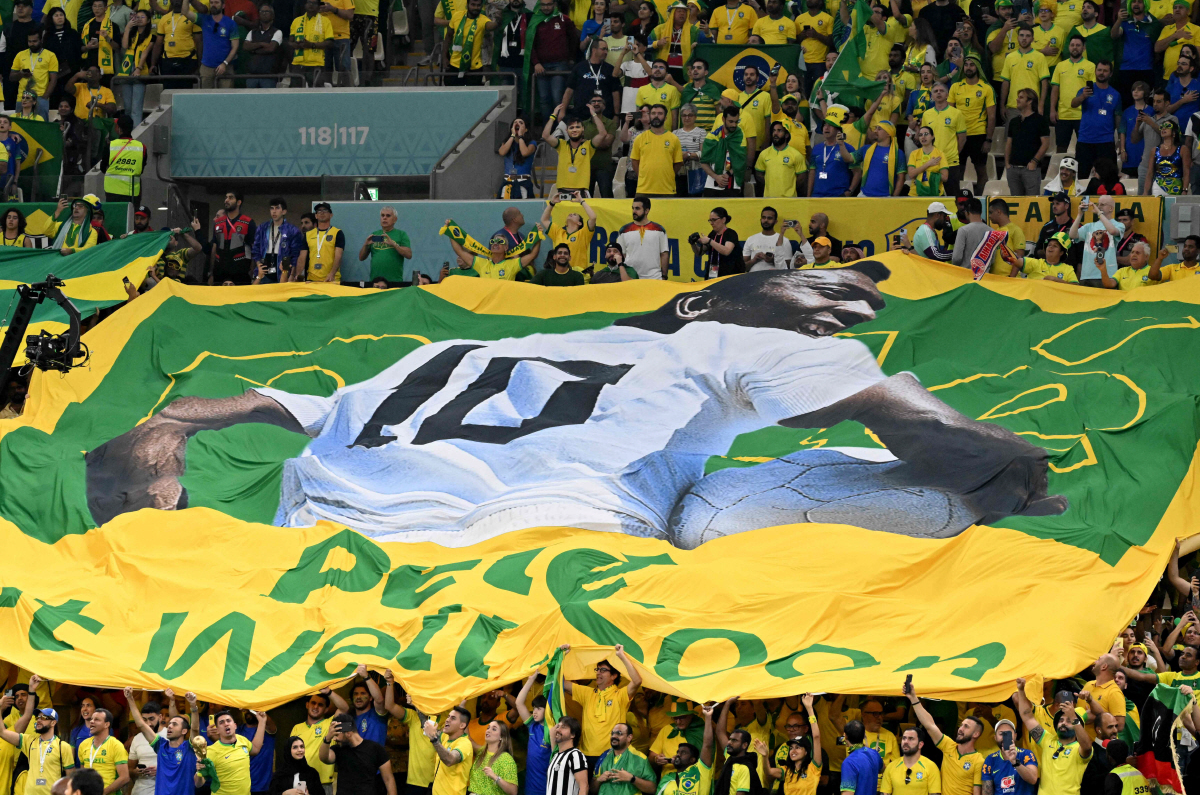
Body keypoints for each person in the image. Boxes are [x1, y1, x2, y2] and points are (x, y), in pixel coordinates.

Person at [88, 262, 1071, 546]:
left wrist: (169, 424)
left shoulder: (459, 346)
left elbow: (269, 406)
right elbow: (906, 421)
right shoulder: (726, 342)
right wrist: (986, 461)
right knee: (716, 505)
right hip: (548, 532)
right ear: (705, 302)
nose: (828, 312)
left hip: (345, 536)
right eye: (810, 295)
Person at [558, 644, 642, 767]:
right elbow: (561, 683)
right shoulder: (587, 693)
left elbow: (637, 681)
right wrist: (562, 657)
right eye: (597, 670)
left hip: (611, 754)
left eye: (603, 670)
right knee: (585, 786)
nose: (598, 673)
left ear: (614, 676)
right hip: (585, 754)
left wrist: (621, 656)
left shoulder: (620, 695)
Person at [1013, 678, 1092, 795]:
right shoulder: (1047, 740)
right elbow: (1027, 716)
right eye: (1061, 720)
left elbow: (1087, 746)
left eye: (1068, 720)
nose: (1063, 723)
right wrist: (1021, 690)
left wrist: (1074, 717)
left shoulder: (1079, 749)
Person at [906, 683, 984, 795]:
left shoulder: (978, 760)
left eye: (966, 726)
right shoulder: (949, 746)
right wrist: (913, 698)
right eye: (961, 725)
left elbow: (977, 793)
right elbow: (930, 725)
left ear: (976, 734)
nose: (961, 729)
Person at [124, 687, 196, 795]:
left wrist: (193, 706)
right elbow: (140, 724)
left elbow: (195, 729)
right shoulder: (161, 745)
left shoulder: (189, 747)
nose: (170, 726)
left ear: (184, 731)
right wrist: (130, 699)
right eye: (170, 724)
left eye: (174, 724)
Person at [0, 675, 63, 795]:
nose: (20, 698)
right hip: (14, 767)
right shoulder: (8, 720)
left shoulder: (40, 721)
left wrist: (32, 689)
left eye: (23, 694)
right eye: (17, 696)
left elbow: (27, 715)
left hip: (38, 766)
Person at [947, 57, 995, 192]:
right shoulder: (955, 87)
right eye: (966, 65)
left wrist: (988, 140)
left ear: (978, 68)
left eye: (972, 65)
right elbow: (949, 113)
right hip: (959, 135)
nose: (968, 67)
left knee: (981, 171)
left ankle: (980, 200)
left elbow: (991, 116)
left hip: (978, 135)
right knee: (957, 171)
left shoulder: (986, 88)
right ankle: (957, 200)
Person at [319, 712, 397, 795]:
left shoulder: (375, 749)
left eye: (337, 735)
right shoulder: (338, 749)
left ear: (348, 733)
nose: (334, 739)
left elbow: (389, 780)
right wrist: (327, 738)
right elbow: (324, 758)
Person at [544, 103, 611, 196]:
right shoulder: (561, 145)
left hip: (581, 192)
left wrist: (594, 114)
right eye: (571, 128)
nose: (574, 130)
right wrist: (553, 115)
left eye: (577, 127)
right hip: (562, 191)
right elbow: (545, 136)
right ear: (566, 131)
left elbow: (603, 134)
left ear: (583, 129)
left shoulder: (588, 145)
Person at [1073, 60, 1122, 178]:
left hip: (1105, 142)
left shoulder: (1115, 94)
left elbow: (1118, 118)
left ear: (1110, 74)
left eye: (1105, 71)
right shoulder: (1085, 90)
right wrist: (1083, 96)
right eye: (1099, 70)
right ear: (1095, 72)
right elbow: (1073, 104)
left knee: (1109, 179)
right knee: (1081, 178)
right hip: (1085, 141)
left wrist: (1120, 139)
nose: (1101, 73)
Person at [920, 82, 967, 196]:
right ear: (932, 96)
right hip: (931, 162)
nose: (938, 93)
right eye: (935, 91)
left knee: (953, 197)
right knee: (933, 198)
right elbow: (924, 138)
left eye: (941, 90)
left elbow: (962, 138)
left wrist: (954, 153)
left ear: (947, 95)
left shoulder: (956, 113)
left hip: (951, 162)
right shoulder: (927, 114)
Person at [444, 225, 540, 280]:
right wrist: (450, 232)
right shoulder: (481, 264)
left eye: (500, 242)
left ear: (506, 247)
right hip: (486, 308)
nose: (495, 243)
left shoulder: (512, 264)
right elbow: (460, 251)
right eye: (493, 242)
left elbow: (533, 255)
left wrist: (539, 236)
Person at [1050, 36, 1093, 152]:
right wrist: (1052, 110)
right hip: (1063, 115)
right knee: (1061, 148)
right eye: (1072, 45)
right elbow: (1055, 89)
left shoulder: (1090, 66)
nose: (1075, 48)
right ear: (1069, 47)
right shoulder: (1060, 66)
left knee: (1084, 148)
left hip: (1082, 116)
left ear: (1084, 48)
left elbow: (1092, 93)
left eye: (1078, 45)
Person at [1071, 194, 1123, 286]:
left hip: (1107, 275)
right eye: (1098, 204)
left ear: (1111, 208)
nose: (1098, 207)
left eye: (1102, 204)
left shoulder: (1119, 225)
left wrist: (1099, 213)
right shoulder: (1089, 226)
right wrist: (1080, 214)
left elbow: (1112, 231)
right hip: (1087, 274)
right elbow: (1072, 235)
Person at [631, 102, 684, 194]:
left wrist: (668, 175)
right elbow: (635, 161)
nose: (656, 116)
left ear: (666, 118)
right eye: (653, 113)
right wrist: (643, 176)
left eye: (660, 114)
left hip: (667, 190)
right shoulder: (640, 138)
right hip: (644, 189)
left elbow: (678, 163)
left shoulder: (673, 138)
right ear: (650, 117)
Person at [998, 27, 1050, 117]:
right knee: (1012, 131)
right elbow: (1005, 82)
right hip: (1013, 105)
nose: (1024, 38)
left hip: (1032, 106)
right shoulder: (1010, 57)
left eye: (1028, 36)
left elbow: (1044, 83)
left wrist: (1040, 105)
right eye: (1021, 35)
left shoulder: (1040, 57)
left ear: (1032, 39)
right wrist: (1002, 105)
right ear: (1017, 38)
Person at [291, 692, 336, 795]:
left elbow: (344, 708)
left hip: (323, 783)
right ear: (307, 705)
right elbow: (290, 755)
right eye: (313, 703)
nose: (316, 706)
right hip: (301, 782)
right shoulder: (297, 728)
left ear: (326, 709)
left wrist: (329, 691)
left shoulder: (330, 724)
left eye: (320, 705)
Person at [251, 197, 305, 283]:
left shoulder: (292, 230)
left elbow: (295, 255)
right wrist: (258, 265)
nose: (274, 211)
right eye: (272, 208)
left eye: (277, 208)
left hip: (283, 268)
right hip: (265, 266)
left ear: (284, 211)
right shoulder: (262, 228)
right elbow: (255, 249)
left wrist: (292, 275)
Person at [151, 0, 201, 88]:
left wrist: (199, 65)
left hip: (188, 60)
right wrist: (153, 64)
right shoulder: (164, 18)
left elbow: (199, 42)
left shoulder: (192, 16)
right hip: (168, 60)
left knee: (185, 94)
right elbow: (158, 44)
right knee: (168, 94)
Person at [423, 706, 474, 795]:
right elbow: (427, 727)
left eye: (453, 718)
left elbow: (450, 760)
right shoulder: (446, 737)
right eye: (448, 716)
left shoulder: (465, 743)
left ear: (462, 725)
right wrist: (416, 706)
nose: (447, 720)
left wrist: (434, 739)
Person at [538, 192, 595, 272]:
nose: (571, 214)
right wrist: (552, 203)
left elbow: (593, 217)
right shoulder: (558, 232)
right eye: (570, 213)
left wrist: (581, 201)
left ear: (579, 223)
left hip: (579, 274)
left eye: (574, 214)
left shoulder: (583, 234)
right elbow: (544, 220)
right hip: (560, 274)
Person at [614, 196, 669, 280]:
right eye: (633, 208)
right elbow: (621, 255)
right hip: (631, 277)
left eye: (637, 208)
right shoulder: (624, 230)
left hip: (654, 278)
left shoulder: (659, 230)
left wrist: (664, 276)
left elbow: (664, 254)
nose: (634, 211)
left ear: (646, 210)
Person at [77, 706, 129, 794]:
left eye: (97, 719)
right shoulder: (83, 745)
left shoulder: (116, 745)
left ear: (106, 724)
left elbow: (125, 777)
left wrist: (102, 793)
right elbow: (82, 774)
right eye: (92, 719)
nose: (92, 721)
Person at [444, 0, 494, 84]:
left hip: (474, 68)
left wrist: (498, 21)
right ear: (467, 5)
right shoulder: (457, 16)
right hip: (455, 64)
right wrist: (444, 57)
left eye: (478, 5)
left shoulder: (483, 19)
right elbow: (448, 36)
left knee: (473, 97)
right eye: (473, 4)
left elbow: (491, 26)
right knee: (451, 96)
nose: (475, 7)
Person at [594, 722, 655, 795]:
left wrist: (632, 779)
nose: (614, 736)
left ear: (629, 737)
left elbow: (652, 788)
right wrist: (599, 780)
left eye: (619, 733)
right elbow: (592, 789)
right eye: (612, 733)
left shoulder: (640, 758)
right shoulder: (604, 756)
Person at [210, 191, 257, 285]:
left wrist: (252, 273)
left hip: (241, 272)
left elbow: (254, 249)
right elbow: (214, 247)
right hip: (219, 272)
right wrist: (211, 273)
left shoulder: (248, 222)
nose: (226, 200)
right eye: (226, 197)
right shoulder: (218, 222)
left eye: (230, 198)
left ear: (239, 202)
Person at [358, 206, 411, 287]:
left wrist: (394, 244)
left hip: (394, 281)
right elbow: (361, 258)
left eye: (388, 216)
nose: (384, 218)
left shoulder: (401, 234)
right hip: (375, 281)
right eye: (382, 215)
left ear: (395, 219)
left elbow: (409, 255)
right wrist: (365, 245)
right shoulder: (374, 234)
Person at [9, 30, 58, 119]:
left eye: (34, 41)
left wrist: (45, 96)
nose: (32, 44)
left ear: (41, 41)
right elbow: (11, 77)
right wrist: (21, 74)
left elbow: (53, 79)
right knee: (20, 127)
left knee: (41, 127)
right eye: (29, 41)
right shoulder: (20, 55)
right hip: (22, 97)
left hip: (40, 96)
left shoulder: (50, 55)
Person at [878, 728, 941, 795]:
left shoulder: (931, 767)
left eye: (911, 739)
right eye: (904, 738)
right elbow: (885, 793)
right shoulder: (891, 767)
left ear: (920, 744)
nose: (906, 742)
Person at [700, 106, 747, 196]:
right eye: (731, 121)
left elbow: (741, 160)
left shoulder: (740, 136)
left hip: (733, 183)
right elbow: (703, 162)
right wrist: (716, 177)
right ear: (723, 119)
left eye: (736, 122)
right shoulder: (712, 137)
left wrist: (728, 174)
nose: (734, 125)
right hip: (712, 183)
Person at [980, 721, 1037, 795]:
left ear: (1015, 736)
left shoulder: (1026, 754)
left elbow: (1033, 780)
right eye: (1001, 734)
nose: (1004, 737)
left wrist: (1015, 762)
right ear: (995, 737)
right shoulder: (990, 759)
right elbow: (987, 792)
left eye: (1008, 733)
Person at [289, 0, 334, 86]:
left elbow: (330, 43)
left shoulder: (325, 21)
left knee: (317, 95)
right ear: (305, 5)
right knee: (295, 94)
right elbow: (290, 42)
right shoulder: (296, 21)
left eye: (314, 3)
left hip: (316, 63)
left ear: (318, 6)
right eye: (309, 2)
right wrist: (296, 45)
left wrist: (311, 45)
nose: (311, 5)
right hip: (298, 63)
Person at [293, 202, 343, 283]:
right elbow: (302, 257)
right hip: (311, 279)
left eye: (325, 210)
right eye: (319, 211)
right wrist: (298, 275)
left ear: (331, 215)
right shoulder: (308, 234)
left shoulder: (337, 233)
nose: (322, 213)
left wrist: (332, 274)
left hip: (331, 279)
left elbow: (338, 256)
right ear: (316, 216)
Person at [100, 114, 144, 206]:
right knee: (130, 218)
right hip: (132, 193)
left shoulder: (110, 146)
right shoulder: (142, 147)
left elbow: (103, 167)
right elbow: (141, 169)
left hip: (112, 191)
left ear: (118, 128)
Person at [809, 120, 858, 197]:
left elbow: (857, 172)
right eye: (825, 125)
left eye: (830, 125)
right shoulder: (816, 148)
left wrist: (850, 191)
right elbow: (812, 172)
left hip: (838, 195)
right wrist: (808, 195)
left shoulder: (847, 148)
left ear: (838, 130)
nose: (826, 128)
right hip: (817, 195)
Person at [856, 121, 905, 196]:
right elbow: (849, 158)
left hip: (885, 197)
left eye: (879, 129)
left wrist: (894, 198)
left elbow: (900, 178)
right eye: (875, 128)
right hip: (864, 194)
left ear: (888, 133)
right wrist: (841, 144)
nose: (875, 131)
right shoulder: (866, 149)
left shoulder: (898, 153)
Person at [689, 207, 741, 279]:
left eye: (714, 220)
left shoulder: (731, 234)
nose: (711, 223)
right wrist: (693, 243)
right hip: (713, 272)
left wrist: (710, 241)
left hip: (729, 275)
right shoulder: (713, 234)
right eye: (710, 220)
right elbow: (699, 253)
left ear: (723, 220)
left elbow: (726, 251)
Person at [126, 697, 162, 795]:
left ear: (160, 717)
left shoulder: (169, 735)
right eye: (144, 720)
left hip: (164, 789)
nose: (148, 724)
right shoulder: (137, 739)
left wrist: (161, 772)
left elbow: (180, 766)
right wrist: (136, 772)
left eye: (151, 719)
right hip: (140, 790)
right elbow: (129, 769)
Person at [243, 4, 283, 87]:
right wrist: (261, 44)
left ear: (272, 15)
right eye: (262, 11)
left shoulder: (277, 32)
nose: (264, 13)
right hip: (252, 75)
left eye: (267, 11)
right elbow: (245, 47)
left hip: (269, 76)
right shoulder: (252, 32)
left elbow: (271, 48)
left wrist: (253, 49)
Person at [497, 117, 538, 199]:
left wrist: (520, 136)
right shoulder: (507, 142)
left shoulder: (531, 143)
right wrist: (512, 136)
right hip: (508, 181)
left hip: (523, 182)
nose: (517, 123)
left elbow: (524, 152)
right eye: (515, 122)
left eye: (521, 122)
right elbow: (502, 152)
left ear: (525, 129)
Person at [840, 720, 884, 795]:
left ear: (845, 736)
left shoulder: (849, 762)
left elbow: (848, 793)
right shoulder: (874, 754)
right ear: (864, 735)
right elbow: (882, 769)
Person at [1014, 232, 1079, 281]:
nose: (1050, 247)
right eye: (1049, 245)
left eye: (1055, 246)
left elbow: (1075, 287)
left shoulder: (1068, 269)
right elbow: (1016, 262)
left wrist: (1056, 280)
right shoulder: (1037, 263)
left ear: (1061, 252)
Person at [743, 206, 792, 272]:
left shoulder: (784, 241)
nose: (766, 220)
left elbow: (789, 267)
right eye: (764, 217)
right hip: (753, 277)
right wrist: (754, 260)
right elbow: (743, 267)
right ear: (760, 220)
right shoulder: (750, 239)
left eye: (769, 218)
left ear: (775, 221)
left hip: (775, 278)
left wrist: (773, 261)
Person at [1151, 115, 1189, 194]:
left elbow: (1186, 171)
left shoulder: (1183, 149)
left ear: (1174, 132)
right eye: (1162, 127)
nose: (1163, 128)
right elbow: (1149, 173)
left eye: (1167, 126)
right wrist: (1145, 191)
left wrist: (1185, 189)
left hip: (1176, 186)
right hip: (1158, 185)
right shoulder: (1155, 150)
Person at [987, 198, 1026, 275]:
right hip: (995, 279)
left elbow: (1019, 257)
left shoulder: (1016, 230)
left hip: (1008, 280)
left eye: (991, 212)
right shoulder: (995, 232)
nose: (989, 216)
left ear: (998, 212)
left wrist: (1011, 278)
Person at [908, 124, 949, 196]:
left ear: (932, 136)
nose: (923, 137)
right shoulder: (914, 154)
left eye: (926, 134)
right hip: (915, 193)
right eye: (920, 135)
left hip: (936, 193)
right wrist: (928, 164)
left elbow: (945, 177)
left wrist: (926, 174)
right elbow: (911, 174)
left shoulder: (940, 154)